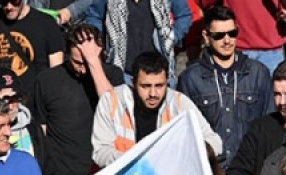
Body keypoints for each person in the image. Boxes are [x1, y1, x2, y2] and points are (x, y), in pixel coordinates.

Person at [28, 26, 122, 175]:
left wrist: (94, 64)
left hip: (102, 172)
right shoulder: (47, 79)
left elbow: (113, 109)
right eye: (78, 62)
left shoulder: (113, 75)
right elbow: (42, 129)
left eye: (89, 62)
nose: (83, 69)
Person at [178, 7, 275, 164]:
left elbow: (269, 127)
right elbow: (185, 132)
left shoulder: (258, 73)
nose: (227, 40)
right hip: (210, 168)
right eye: (219, 35)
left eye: (232, 33)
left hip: (248, 169)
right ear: (206, 36)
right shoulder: (190, 78)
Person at [92, 50, 222, 164]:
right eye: (146, 86)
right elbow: (100, 152)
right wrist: (134, 160)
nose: (153, 94)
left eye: (159, 86)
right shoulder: (112, 101)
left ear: (167, 82)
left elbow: (214, 141)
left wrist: (183, 155)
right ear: (133, 83)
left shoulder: (179, 103)